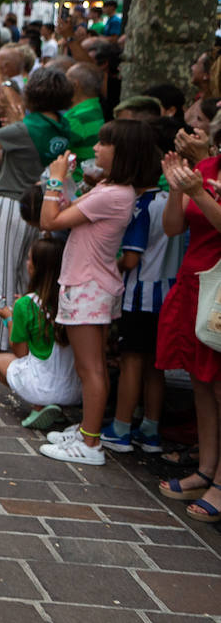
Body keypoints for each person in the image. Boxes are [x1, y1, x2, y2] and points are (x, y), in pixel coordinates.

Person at [37, 120, 160, 465]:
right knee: (93, 367)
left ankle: (90, 443)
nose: (97, 148)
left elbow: (50, 220)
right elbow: (72, 210)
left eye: (105, 143)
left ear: (121, 153)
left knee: (90, 368)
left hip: (88, 285)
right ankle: (88, 430)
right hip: (94, 282)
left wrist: (55, 179)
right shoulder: (113, 189)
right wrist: (69, 183)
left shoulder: (112, 194)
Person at [0, 67, 74, 363]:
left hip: (10, 204)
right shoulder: (62, 127)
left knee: (3, 276)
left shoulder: (23, 130)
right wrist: (1, 81)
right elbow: (23, 112)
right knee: (27, 277)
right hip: (41, 207)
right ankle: (26, 341)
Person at [100, 159, 185, 454]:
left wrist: (110, 265)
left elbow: (132, 258)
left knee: (132, 361)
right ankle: (150, 429)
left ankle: (121, 427)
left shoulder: (142, 206)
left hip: (140, 295)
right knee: (154, 366)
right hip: (169, 293)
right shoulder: (171, 199)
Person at [155, 148, 221, 521]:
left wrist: (198, 193)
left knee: (219, 386)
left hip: (220, 290)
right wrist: (177, 187)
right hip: (195, 282)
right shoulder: (206, 168)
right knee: (200, 381)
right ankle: (206, 468)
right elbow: (172, 227)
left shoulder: (205, 179)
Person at [0, 236, 80, 428]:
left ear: (37, 267)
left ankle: (39, 406)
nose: (26, 262)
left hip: (42, 386)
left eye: (30, 259)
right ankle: (54, 408)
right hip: (74, 388)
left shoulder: (25, 304)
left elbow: (20, 352)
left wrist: (9, 318)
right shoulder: (73, 300)